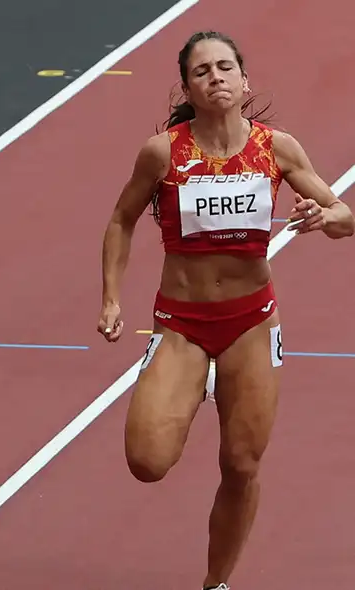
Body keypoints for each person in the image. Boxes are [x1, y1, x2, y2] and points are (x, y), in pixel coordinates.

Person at [97, 30, 353, 590]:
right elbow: (120, 220)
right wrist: (112, 296)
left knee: (240, 465)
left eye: (224, 67)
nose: (215, 76)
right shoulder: (163, 152)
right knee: (147, 461)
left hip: (252, 324)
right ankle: (185, 387)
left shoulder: (277, 148)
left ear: (244, 80)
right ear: (188, 85)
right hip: (182, 324)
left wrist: (322, 217)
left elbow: (344, 216)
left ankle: (216, 584)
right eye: (201, 70)